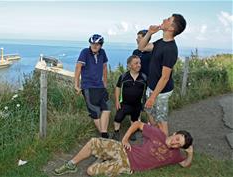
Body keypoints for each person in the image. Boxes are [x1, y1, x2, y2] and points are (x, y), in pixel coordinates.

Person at [53, 121, 193, 176]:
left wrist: (190, 152)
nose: (175, 143)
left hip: (127, 165)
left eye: (179, 144)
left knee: (90, 171)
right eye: (177, 139)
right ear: (175, 134)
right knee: (93, 142)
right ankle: (71, 164)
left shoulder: (175, 155)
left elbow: (185, 164)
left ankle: (103, 158)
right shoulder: (158, 134)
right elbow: (138, 124)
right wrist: (125, 139)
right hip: (125, 150)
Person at [138, 14, 187, 136]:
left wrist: (153, 97)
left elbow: (165, 77)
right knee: (151, 114)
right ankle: (155, 138)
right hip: (152, 87)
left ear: (171, 28)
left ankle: (165, 148)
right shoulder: (161, 42)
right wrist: (149, 33)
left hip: (161, 92)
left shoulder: (170, 49)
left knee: (161, 121)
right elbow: (141, 47)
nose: (165, 19)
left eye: (169, 19)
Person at [74, 34, 111, 138]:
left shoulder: (102, 52)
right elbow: (78, 68)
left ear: (101, 45)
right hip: (88, 86)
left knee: (107, 108)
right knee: (95, 111)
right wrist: (76, 85)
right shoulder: (85, 52)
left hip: (100, 86)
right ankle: (104, 135)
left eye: (97, 44)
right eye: (92, 43)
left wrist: (105, 83)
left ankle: (104, 134)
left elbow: (104, 67)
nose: (94, 46)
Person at [112, 55, 147, 141]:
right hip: (124, 103)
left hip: (137, 104)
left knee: (134, 119)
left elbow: (147, 90)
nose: (139, 65)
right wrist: (117, 100)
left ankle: (132, 132)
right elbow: (117, 88)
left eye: (139, 63)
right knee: (118, 118)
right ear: (129, 65)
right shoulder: (124, 76)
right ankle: (116, 132)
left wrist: (146, 102)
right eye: (136, 63)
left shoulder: (144, 77)